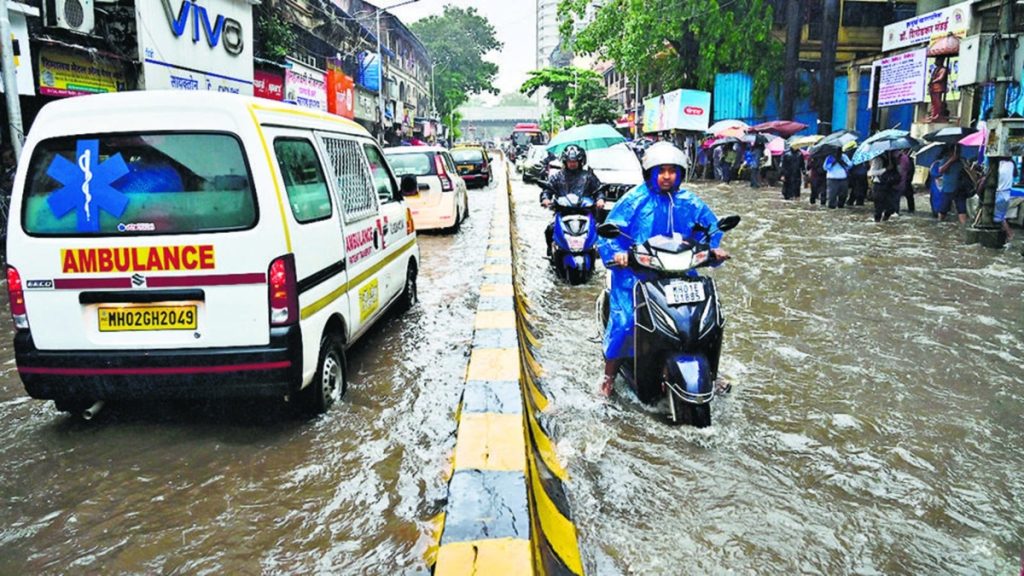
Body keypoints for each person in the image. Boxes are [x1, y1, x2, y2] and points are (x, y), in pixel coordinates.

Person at [596, 142, 730, 397]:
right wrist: (618, 255)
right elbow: (609, 234)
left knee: (707, 318)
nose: (667, 176)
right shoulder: (634, 199)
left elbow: (711, 228)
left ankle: (711, 370)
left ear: (680, 174)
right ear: (650, 172)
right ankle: (608, 375)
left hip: (680, 272)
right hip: (636, 274)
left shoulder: (689, 201)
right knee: (626, 321)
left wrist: (714, 250)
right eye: (662, 171)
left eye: (672, 171)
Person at [540, 145, 604, 253]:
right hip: (563, 212)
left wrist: (600, 199)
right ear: (565, 162)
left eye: (574, 161)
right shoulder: (557, 177)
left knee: (598, 230)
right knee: (550, 229)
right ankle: (551, 251)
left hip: (584, 212)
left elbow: (598, 190)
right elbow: (548, 189)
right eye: (570, 161)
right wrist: (546, 199)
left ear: (580, 161)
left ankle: (594, 250)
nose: (572, 164)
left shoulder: (589, 176)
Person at [936, 145, 967, 223]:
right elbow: (940, 171)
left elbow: (968, 171)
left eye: (958, 151)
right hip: (947, 189)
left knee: (962, 210)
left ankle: (963, 227)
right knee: (943, 211)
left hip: (960, 189)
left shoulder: (962, 160)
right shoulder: (945, 160)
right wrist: (951, 161)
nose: (957, 153)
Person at [868, 153, 900, 222]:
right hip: (879, 185)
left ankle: (885, 221)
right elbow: (871, 173)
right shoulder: (877, 159)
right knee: (879, 208)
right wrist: (886, 169)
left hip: (889, 185)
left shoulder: (891, 157)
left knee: (891, 207)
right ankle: (877, 222)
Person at [994, 154, 1017, 241]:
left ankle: (1010, 234)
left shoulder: (999, 165)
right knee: (1001, 217)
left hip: (1000, 194)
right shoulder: (1011, 164)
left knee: (999, 219)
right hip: (1007, 194)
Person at [927, 56, 949, 123]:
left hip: (938, 88)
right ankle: (933, 114)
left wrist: (933, 81)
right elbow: (932, 77)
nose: (935, 62)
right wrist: (930, 82)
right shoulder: (936, 69)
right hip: (933, 88)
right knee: (933, 103)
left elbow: (940, 78)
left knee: (937, 102)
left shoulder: (943, 69)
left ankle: (937, 115)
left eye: (937, 60)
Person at [896, 149, 914, 213]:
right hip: (902, 179)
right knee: (907, 195)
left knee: (908, 195)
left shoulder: (908, 159)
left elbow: (910, 171)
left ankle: (911, 209)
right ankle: (910, 209)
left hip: (905, 180)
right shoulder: (901, 158)